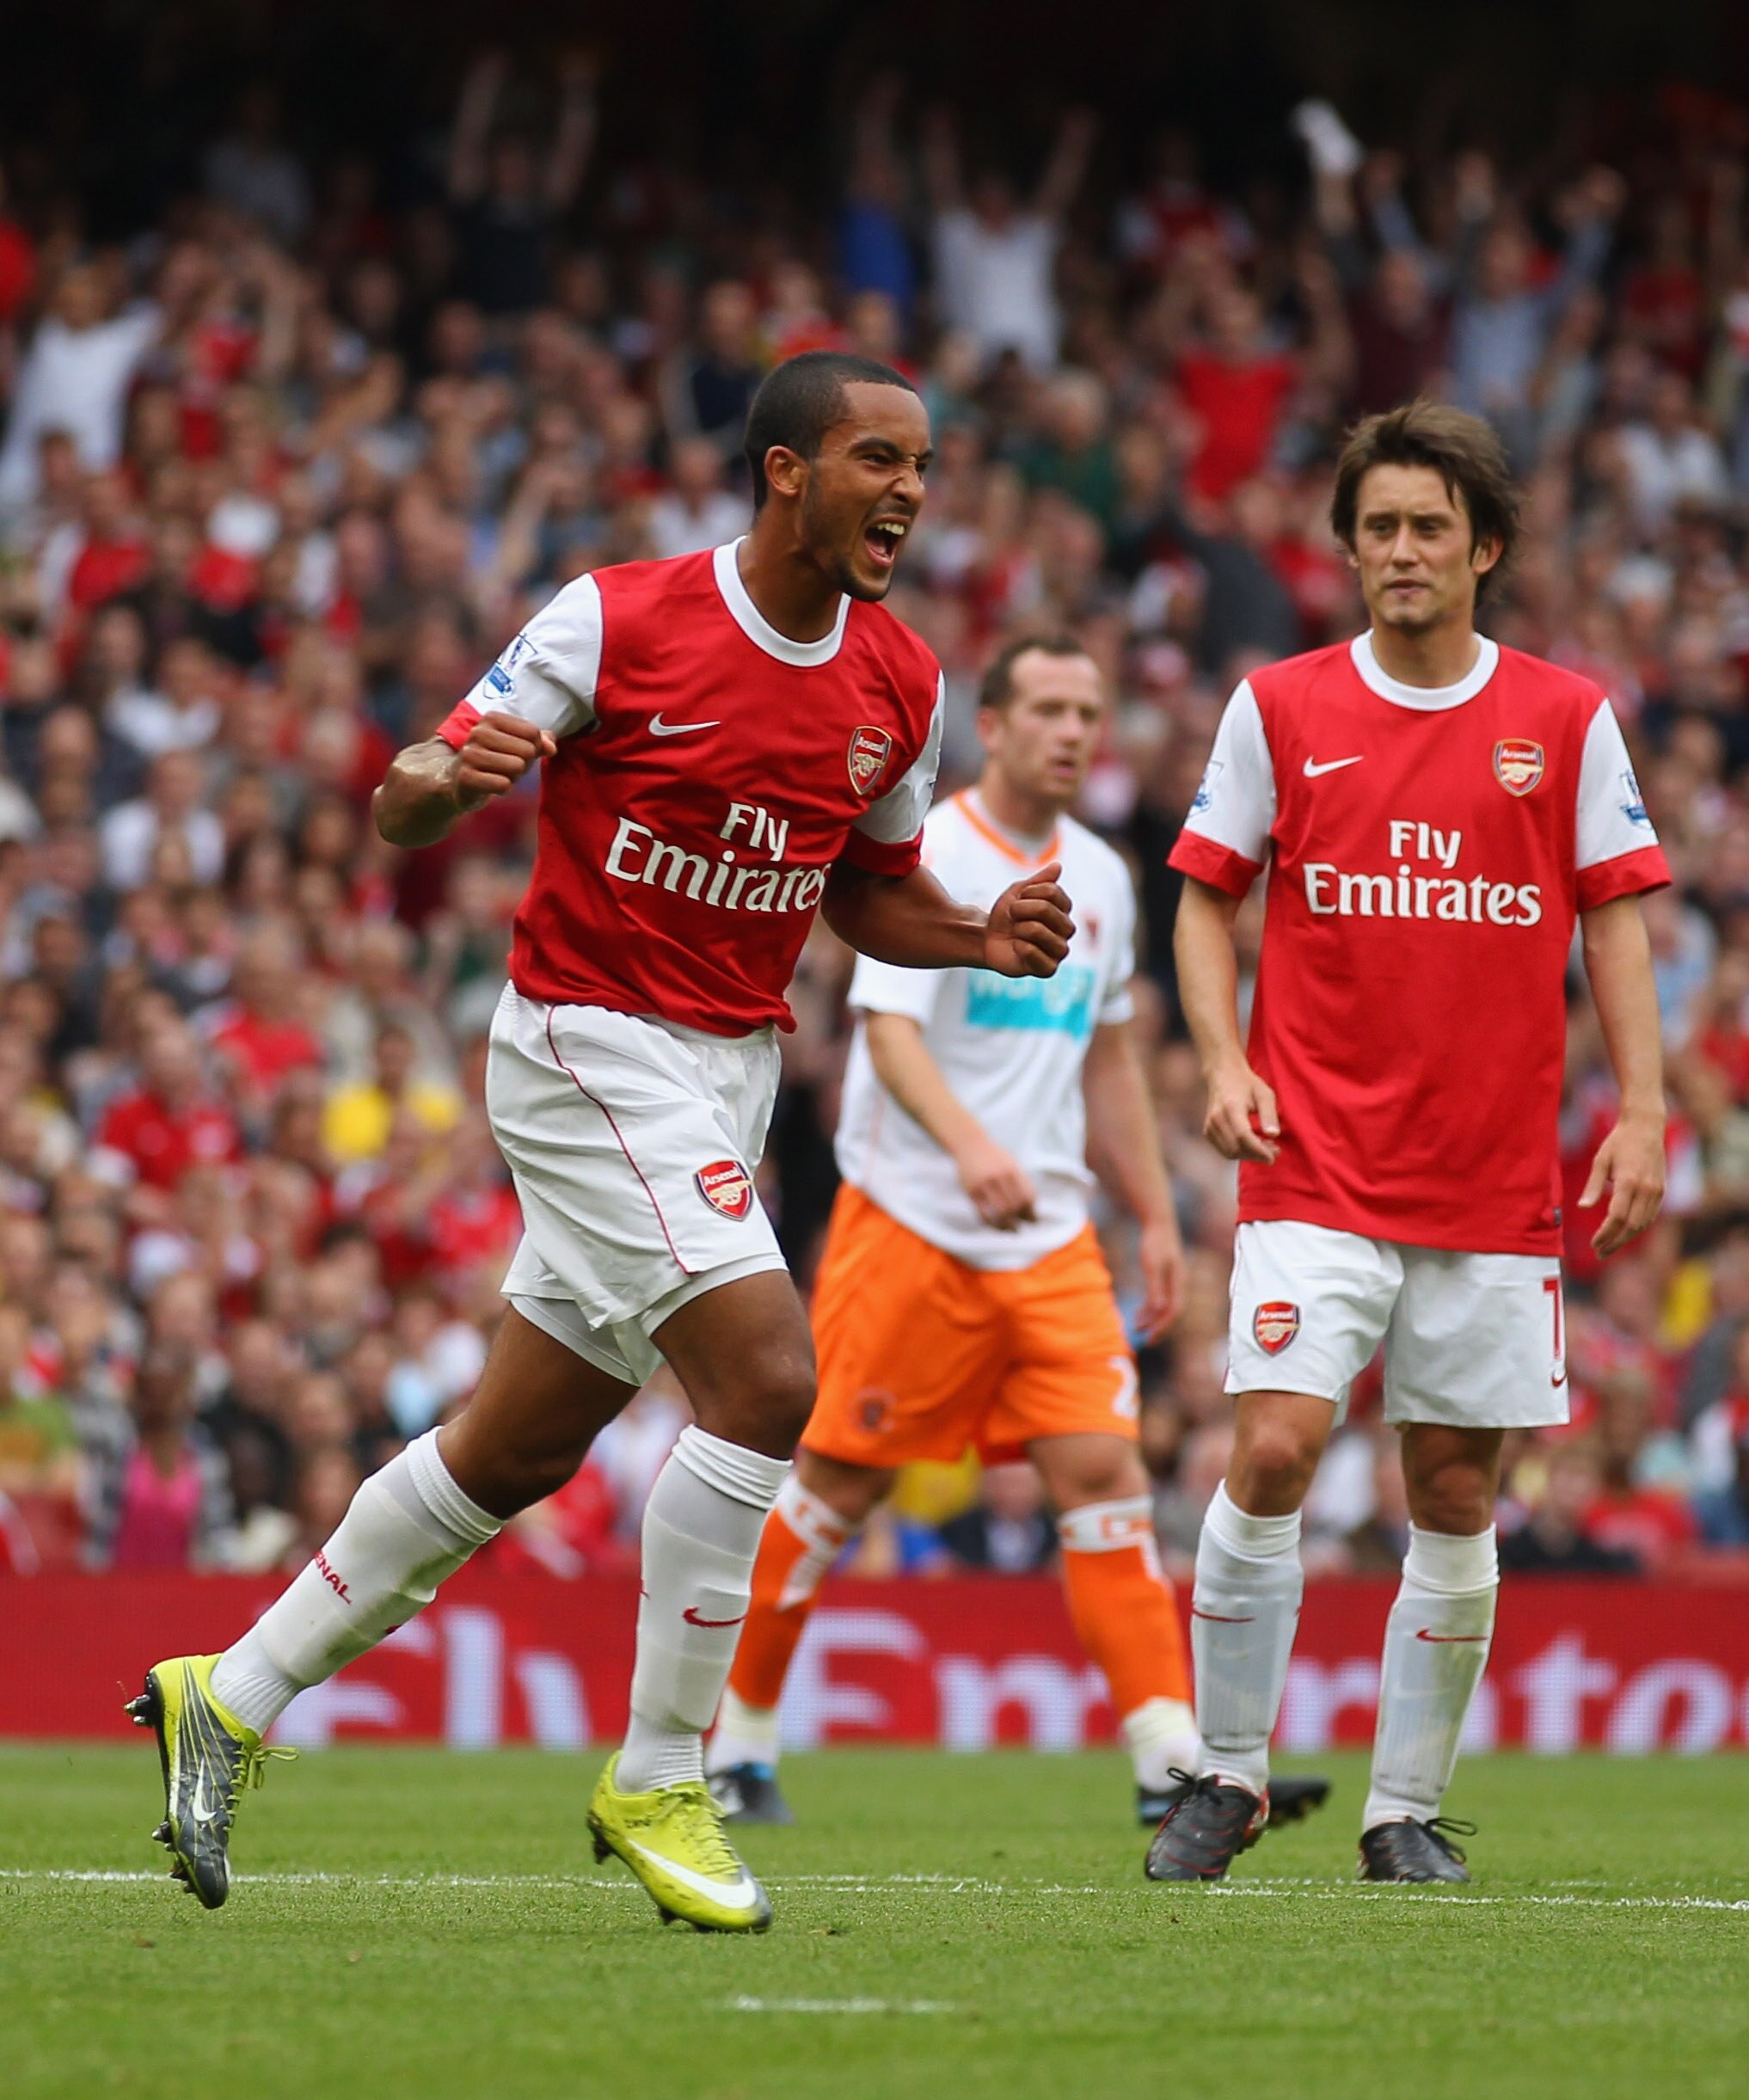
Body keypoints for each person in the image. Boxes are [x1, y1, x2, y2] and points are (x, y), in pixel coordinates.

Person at [129, 351, 1074, 1932]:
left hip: (725, 1076)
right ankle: (657, 1768)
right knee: (769, 1381)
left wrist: (978, 935)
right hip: (584, 1043)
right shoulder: (617, 616)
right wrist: (432, 777)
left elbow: (861, 886)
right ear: (784, 472)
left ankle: (225, 1692)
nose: (910, 489)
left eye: (921, 465)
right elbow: (412, 798)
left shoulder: (902, 681)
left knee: (513, 1450)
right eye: (874, 458)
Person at [1148, 399, 1668, 1888]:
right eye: (1375, 526)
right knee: (1269, 1446)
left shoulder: (1563, 718)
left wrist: (1637, 1108)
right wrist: (1224, 1058)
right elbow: (1202, 895)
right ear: (1349, 548)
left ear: (1482, 547)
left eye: (1426, 526)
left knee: (1452, 1491)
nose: (1398, 550)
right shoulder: (1280, 706)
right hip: (1312, 1159)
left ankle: (1402, 1811)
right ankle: (1228, 1777)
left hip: (1493, 1182)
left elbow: (1615, 914)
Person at [705, 632, 1328, 1837]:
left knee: (1105, 1484)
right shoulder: (931, 849)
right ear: (990, 724)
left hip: (1047, 1241)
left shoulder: (1098, 874)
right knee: (835, 1481)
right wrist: (968, 1146)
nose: (1069, 729)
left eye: (1086, 709)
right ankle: (733, 1741)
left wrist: (1148, 1209)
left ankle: (1167, 1759)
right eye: (1044, 706)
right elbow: (886, 1031)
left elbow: (1103, 1056)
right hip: (913, 1225)